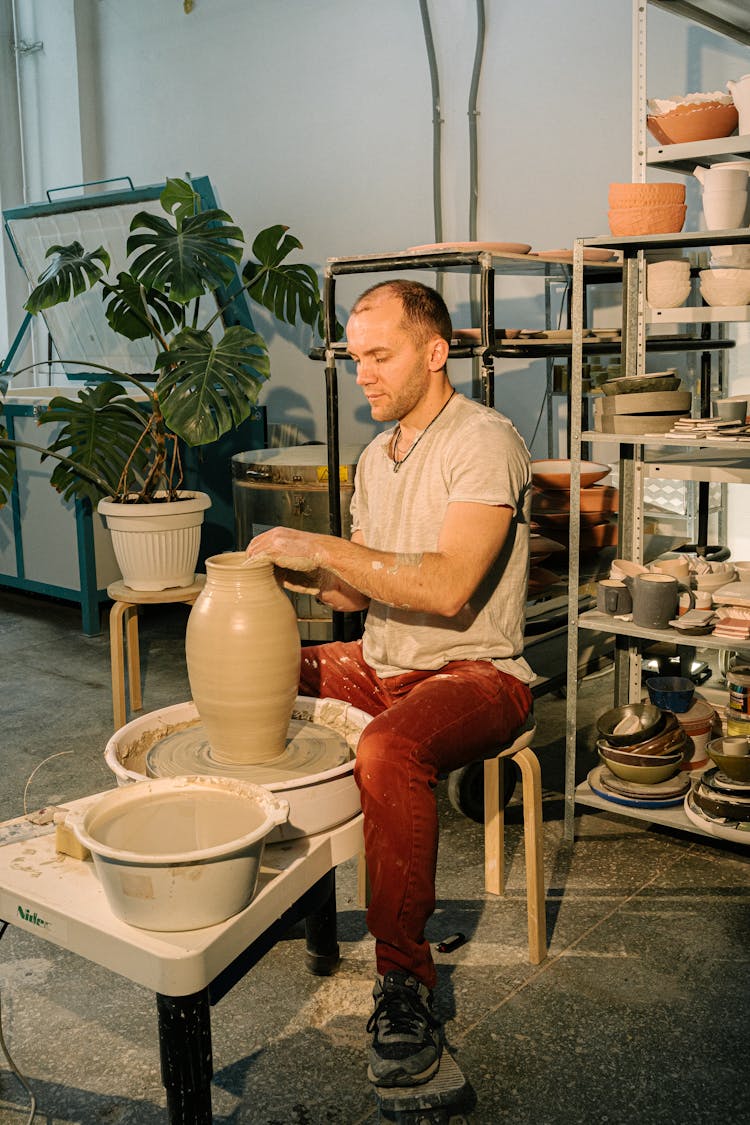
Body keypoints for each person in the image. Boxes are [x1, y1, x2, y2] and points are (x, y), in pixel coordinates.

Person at [245, 279, 534, 1089]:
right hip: (383, 661)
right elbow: (362, 591)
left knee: (388, 748)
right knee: (264, 677)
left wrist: (329, 548)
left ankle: (405, 979)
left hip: (478, 669)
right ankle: (263, 889)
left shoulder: (484, 439)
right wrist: (299, 571)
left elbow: (447, 588)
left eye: (380, 355)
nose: (362, 374)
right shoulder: (378, 454)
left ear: (435, 352)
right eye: (354, 357)